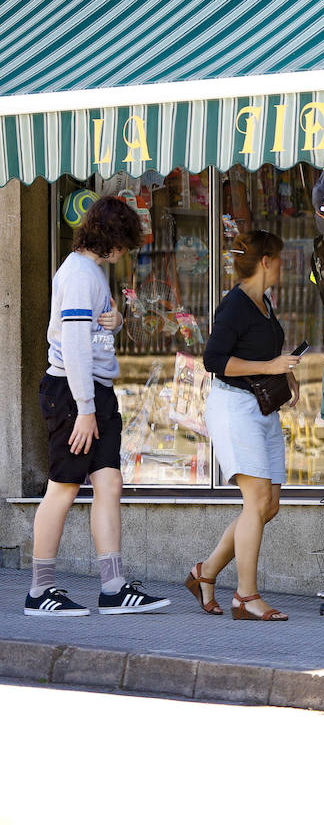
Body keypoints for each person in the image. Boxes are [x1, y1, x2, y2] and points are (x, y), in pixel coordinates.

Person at [26, 195, 170, 616]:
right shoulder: (78, 275)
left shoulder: (90, 273)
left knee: (109, 484)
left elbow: (93, 331)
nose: (125, 252)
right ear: (110, 238)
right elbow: (72, 345)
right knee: (63, 487)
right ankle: (39, 590)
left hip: (92, 393)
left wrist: (118, 320)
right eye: (124, 243)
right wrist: (86, 408)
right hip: (75, 393)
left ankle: (113, 586)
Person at [189, 230, 299, 621]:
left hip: (262, 408)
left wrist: (284, 374)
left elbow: (263, 353)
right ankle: (246, 598)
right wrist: (269, 367)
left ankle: (206, 572)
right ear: (266, 261)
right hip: (234, 408)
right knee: (254, 502)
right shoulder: (234, 304)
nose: (284, 266)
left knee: (269, 505)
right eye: (281, 259)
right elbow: (214, 359)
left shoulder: (264, 302)